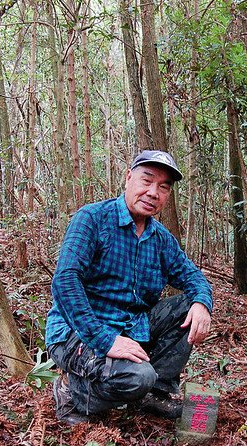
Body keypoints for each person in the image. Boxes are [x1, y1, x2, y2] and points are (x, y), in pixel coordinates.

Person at [46, 150, 213, 425]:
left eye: (163, 187)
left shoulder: (160, 239)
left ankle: (153, 395)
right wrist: (105, 339)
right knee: (139, 377)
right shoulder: (93, 219)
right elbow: (65, 281)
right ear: (128, 179)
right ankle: (72, 393)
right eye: (146, 181)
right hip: (77, 334)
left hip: (131, 329)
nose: (153, 193)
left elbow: (193, 277)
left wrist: (202, 304)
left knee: (188, 306)